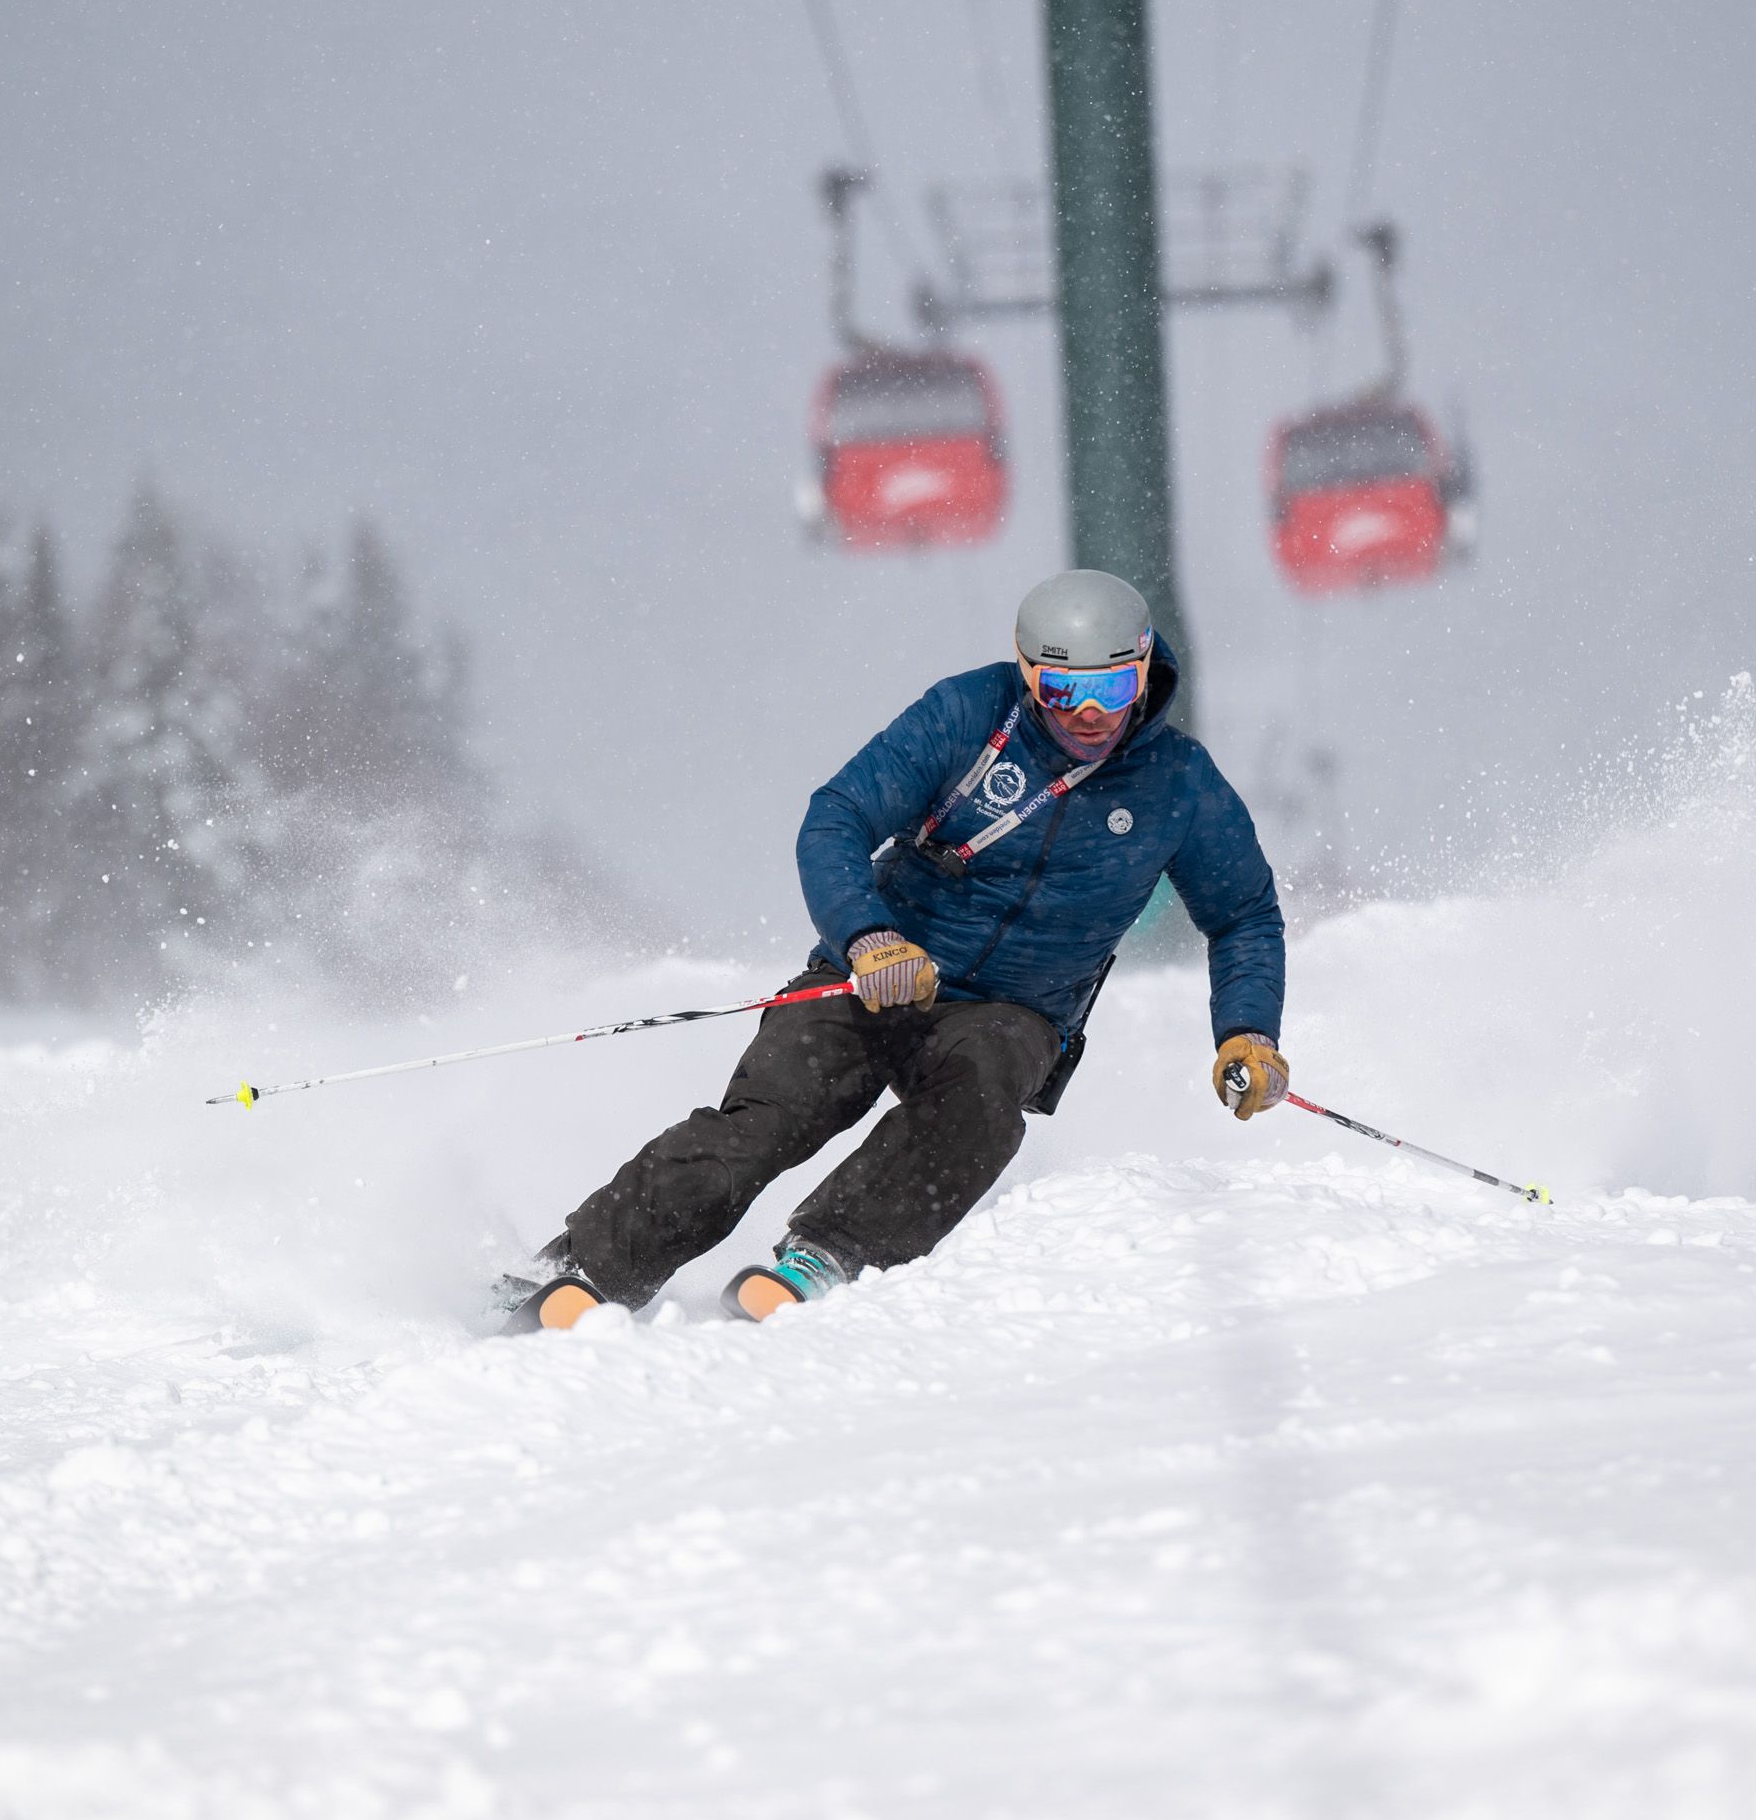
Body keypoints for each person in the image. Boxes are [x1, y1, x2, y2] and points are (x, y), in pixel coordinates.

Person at [493, 569, 1289, 1332]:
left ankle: (829, 1253)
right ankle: (586, 1264)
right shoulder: (966, 715)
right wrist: (868, 937)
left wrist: (1247, 1031)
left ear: (1144, 671)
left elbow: (1245, 913)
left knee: (977, 1101)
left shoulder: (1179, 784)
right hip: (879, 976)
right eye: (1061, 690)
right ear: (1026, 675)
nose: (1089, 714)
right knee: (770, 1119)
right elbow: (836, 816)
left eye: (1111, 689)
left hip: (1012, 1011)